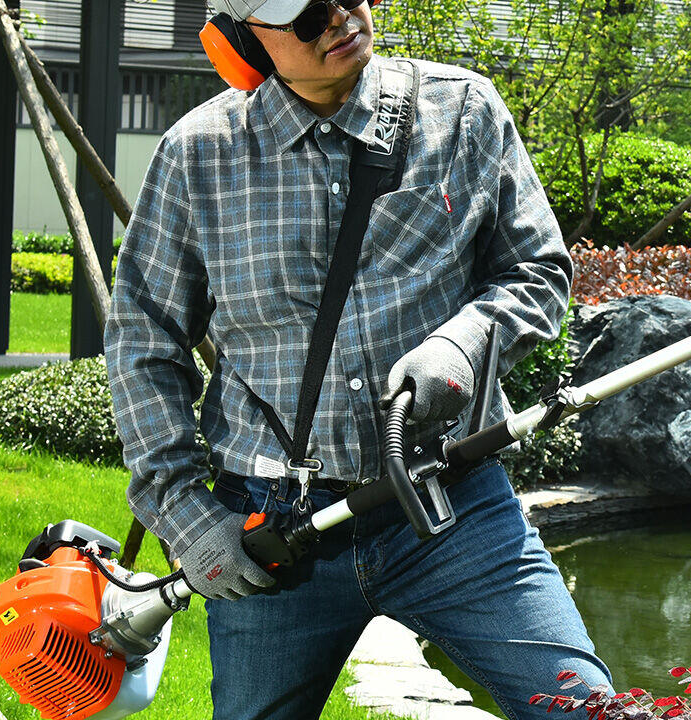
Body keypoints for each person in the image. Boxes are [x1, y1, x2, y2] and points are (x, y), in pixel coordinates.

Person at [105, 0, 611, 716]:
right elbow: (144, 339)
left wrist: (463, 345)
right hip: (273, 531)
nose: (340, 18)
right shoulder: (198, 155)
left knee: (587, 710)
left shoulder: (461, 111)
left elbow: (536, 270)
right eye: (309, 15)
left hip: (453, 503)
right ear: (244, 41)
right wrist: (185, 513)